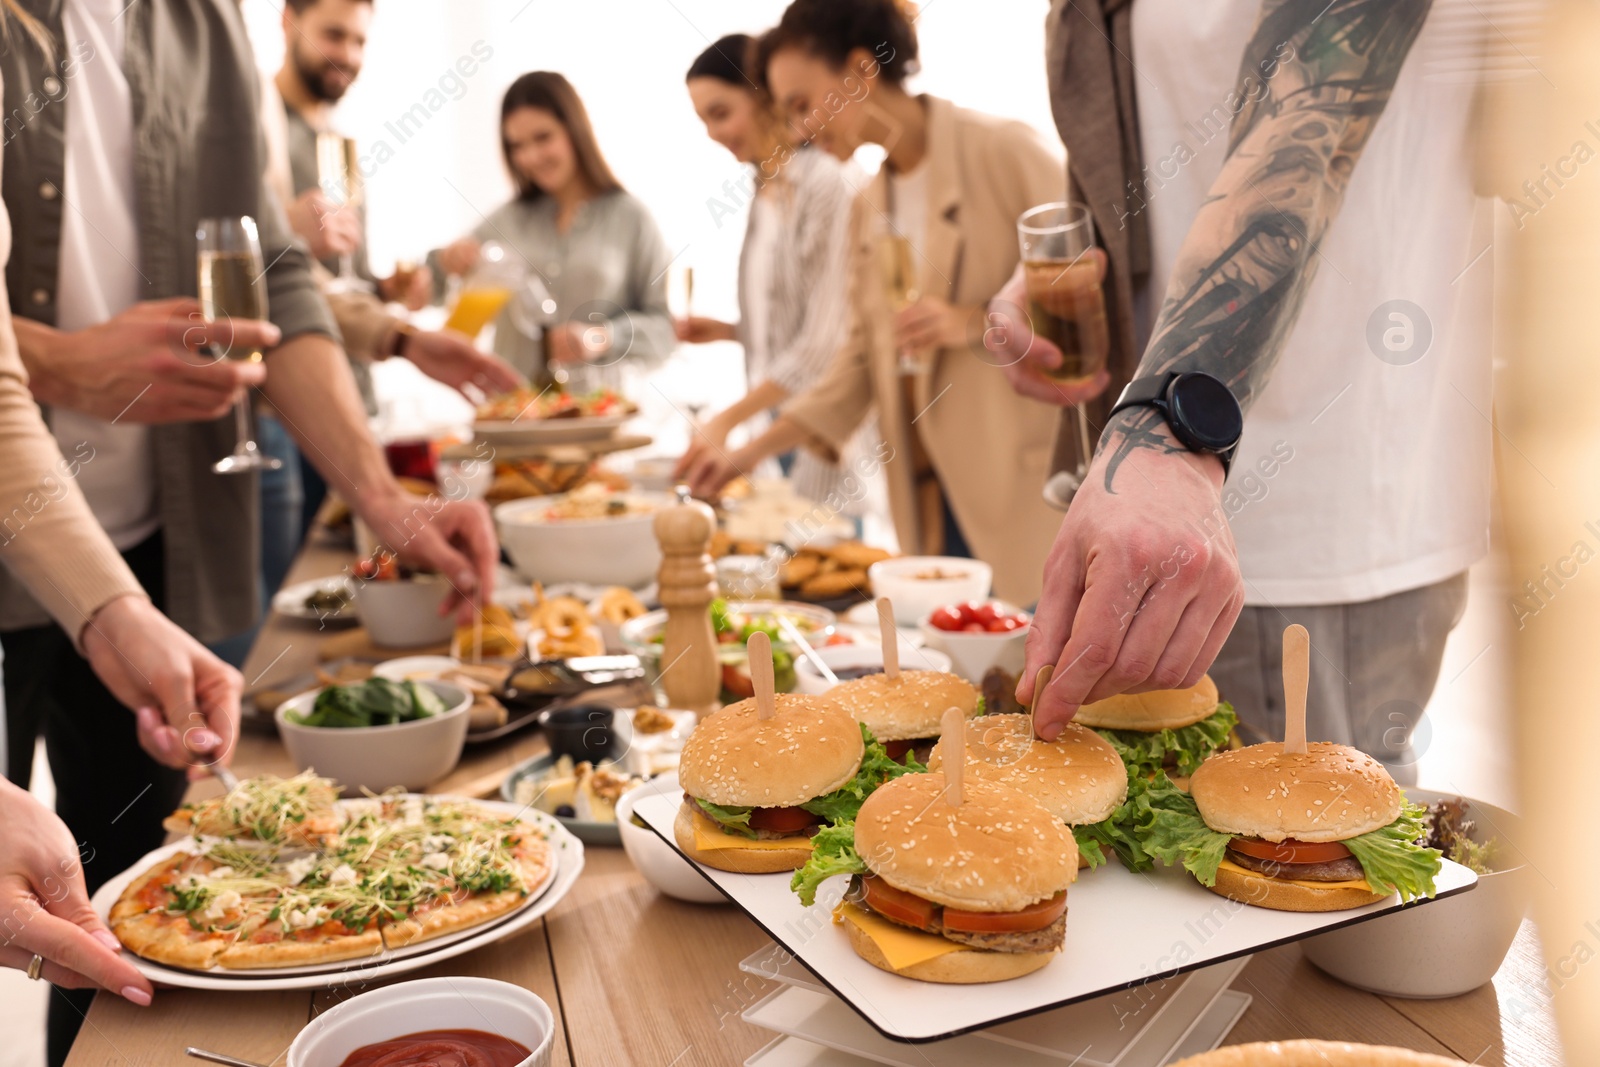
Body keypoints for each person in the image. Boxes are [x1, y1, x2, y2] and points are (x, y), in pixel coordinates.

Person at [0, 3, 496, 1059]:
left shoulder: (201, 21)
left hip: (127, 539)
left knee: (91, 897)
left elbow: (278, 275)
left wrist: (381, 497)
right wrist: (65, 360)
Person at [1009, 0, 1489, 779]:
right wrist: (1060, 279)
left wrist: (1168, 428)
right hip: (1160, 496)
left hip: (1305, 501)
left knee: (1306, 872)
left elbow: (1309, 125)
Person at [682, 0, 1066, 605]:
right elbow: (859, 358)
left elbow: (1092, 285)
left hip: (1024, 493)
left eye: (803, 104)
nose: (801, 129)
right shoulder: (871, 201)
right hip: (930, 496)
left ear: (861, 70)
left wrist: (972, 323)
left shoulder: (1001, 149)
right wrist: (747, 453)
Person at [263, 0, 521, 561]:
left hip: (349, 393)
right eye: (334, 35)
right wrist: (284, 228)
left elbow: (336, 284)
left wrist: (392, 294)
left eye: (359, 42)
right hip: (284, 400)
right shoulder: (260, 124)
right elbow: (266, 269)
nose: (348, 56)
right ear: (287, 21)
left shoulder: (337, 139)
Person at [672, 34, 869, 514]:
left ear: (765, 98)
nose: (713, 133)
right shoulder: (767, 188)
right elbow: (797, 318)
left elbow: (825, 344)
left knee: (828, 563)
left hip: (827, 432)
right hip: (779, 427)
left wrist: (727, 421)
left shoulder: (826, 182)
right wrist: (733, 331)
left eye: (720, 113)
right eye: (703, 121)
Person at [431, 72, 673, 382]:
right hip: (514, 411)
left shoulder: (632, 219)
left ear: (574, 129)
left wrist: (600, 338)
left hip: (598, 414)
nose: (530, 157)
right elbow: (435, 287)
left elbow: (664, 331)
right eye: (517, 145)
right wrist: (447, 260)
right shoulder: (505, 220)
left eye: (543, 138)